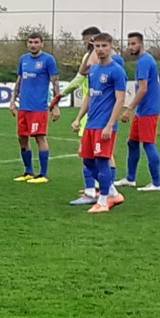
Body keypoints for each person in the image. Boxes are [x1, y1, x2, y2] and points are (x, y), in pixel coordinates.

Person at [71, 33, 127, 213]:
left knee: (102, 161)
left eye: (104, 46)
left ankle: (103, 201)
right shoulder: (93, 70)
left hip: (105, 124)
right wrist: (78, 118)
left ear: (111, 46)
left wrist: (110, 124)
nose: (101, 50)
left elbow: (120, 100)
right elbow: (89, 96)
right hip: (91, 123)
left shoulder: (117, 71)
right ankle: (112, 192)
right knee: (88, 161)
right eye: (98, 46)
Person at [9, 32, 60, 183]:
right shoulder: (24, 59)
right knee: (22, 138)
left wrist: (55, 105)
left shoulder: (48, 60)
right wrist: (13, 101)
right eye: (30, 42)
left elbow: (55, 83)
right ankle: (28, 171)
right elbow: (19, 80)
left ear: (42, 44)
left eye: (36, 42)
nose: (33, 45)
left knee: (39, 137)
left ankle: (43, 174)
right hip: (23, 107)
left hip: (39, 107)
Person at [117, 32, 160, 192]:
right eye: (129, 44)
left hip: (148, 110)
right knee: (132, 143)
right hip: (143, 110)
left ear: (141, 44)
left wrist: (129, 109)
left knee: (148, 144)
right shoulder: (145, 60)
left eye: (133, 44)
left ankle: (156, 183)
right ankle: (130, 178)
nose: (130, 47)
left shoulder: (144, 62)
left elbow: (143, 89)